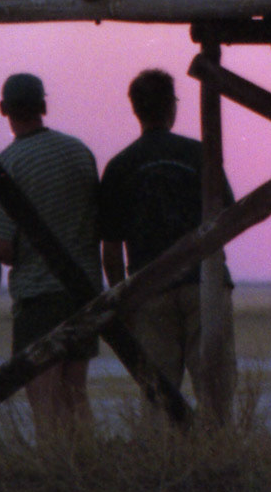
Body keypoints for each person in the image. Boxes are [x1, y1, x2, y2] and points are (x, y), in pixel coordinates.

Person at [98, 70, 235, 407]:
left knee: (159, 398)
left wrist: (122, 298)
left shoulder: (119, 166)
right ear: (172, 106)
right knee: (215, 390)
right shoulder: (199, 154)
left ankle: (165, 444)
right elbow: (230, 218)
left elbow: (111, 249)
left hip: (149, 291)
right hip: (204, 284)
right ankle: (219, 443)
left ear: (135, 109)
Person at [0, 72, 101, 430]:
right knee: (76, 393)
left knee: (44, 398)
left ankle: (54, 462)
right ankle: (87, 460)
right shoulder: (79, 151)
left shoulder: (7, 164)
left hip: (38, 296)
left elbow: (1, 247)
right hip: (84, 290)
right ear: (44, 106)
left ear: (3, 109)